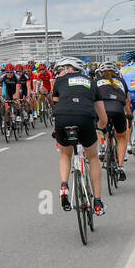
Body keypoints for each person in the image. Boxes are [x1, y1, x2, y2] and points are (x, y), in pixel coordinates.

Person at [51, 56, 107, 216]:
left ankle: (63, 185)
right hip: (85, 118)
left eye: (60, 71)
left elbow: (55, 106)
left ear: (69, 69)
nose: (58, 74)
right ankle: (97, 202)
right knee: (93, 157)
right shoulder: (91, 82)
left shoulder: (59, 82)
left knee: (64, 154)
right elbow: (103, 117)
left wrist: (57, 130)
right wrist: (101, 128)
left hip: (62, 118)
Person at [95, 63, 131, 181]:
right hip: (117, 109)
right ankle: (120, 166)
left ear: (101, 72)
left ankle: (102, 147)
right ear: (116, 72)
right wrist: (129, 115)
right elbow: (126, 100)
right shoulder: (120, 81)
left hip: (101, 109)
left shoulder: (96, 81)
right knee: (121, 137)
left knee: (99, 128)